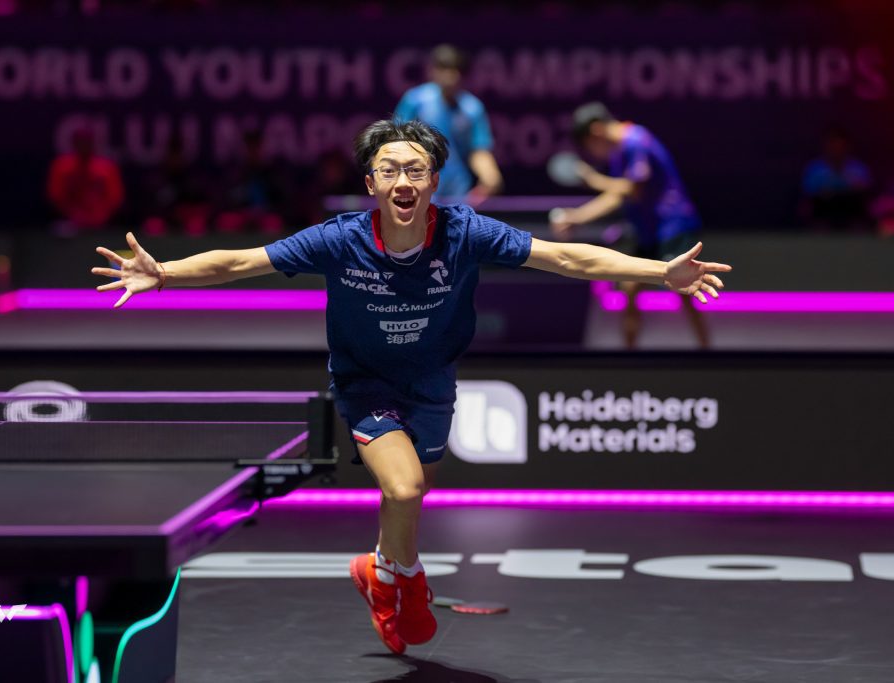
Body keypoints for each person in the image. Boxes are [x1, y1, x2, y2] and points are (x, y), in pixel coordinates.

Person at [91, 119, 731, 654]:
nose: (404, 181)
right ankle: (408, 581)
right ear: (371, 183)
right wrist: (164, 272)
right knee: (404, 488)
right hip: (365, 384)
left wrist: (659, 272)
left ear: (434, 181)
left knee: (407, 497)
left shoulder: (466, 233)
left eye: (416, 170)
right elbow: (242, 260)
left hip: (432, 382)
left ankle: (380, 569)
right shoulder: (339, 240)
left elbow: (565, 256)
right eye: (390, 170)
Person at [551, 102, 709, 349]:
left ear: (596, 130)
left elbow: (632, 190)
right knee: (629, 287)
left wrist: (592, 179)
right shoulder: (619, 150)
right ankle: (628, 358)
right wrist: (578, 217)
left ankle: (706, 353)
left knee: (686, 290)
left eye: (588, 145)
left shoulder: (636, 141)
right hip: (647, 231)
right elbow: (617, 196)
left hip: (672, 226)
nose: (592, 152)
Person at [394, 44, 502, 204]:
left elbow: (478, 150)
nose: (451, 76)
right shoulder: (415, 101)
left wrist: (490, 176)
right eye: (444, 69)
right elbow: (396, 143)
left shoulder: (472, 108)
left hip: (458, 190)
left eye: (455, 70)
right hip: (418, 185)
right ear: (432, 71)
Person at [46, 125, 124, 232]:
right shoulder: (61, 166)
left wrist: (99, 215)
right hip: (69, 223)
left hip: (103, 223)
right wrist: (75, 215)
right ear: (73, 143)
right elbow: (56, 196)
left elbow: (115, 198)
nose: (84, 145)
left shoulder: (107, 167)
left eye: (87, 141)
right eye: (80, 142)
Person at [800, 126, 873, 231]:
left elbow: (864, 191)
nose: (836, 149)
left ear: (847, 147)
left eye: (839, 145)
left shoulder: (859, 168)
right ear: (825, 146)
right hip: (823, 210)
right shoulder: (815, 169)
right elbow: (809, 194)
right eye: (832, 145)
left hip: (851, 210)